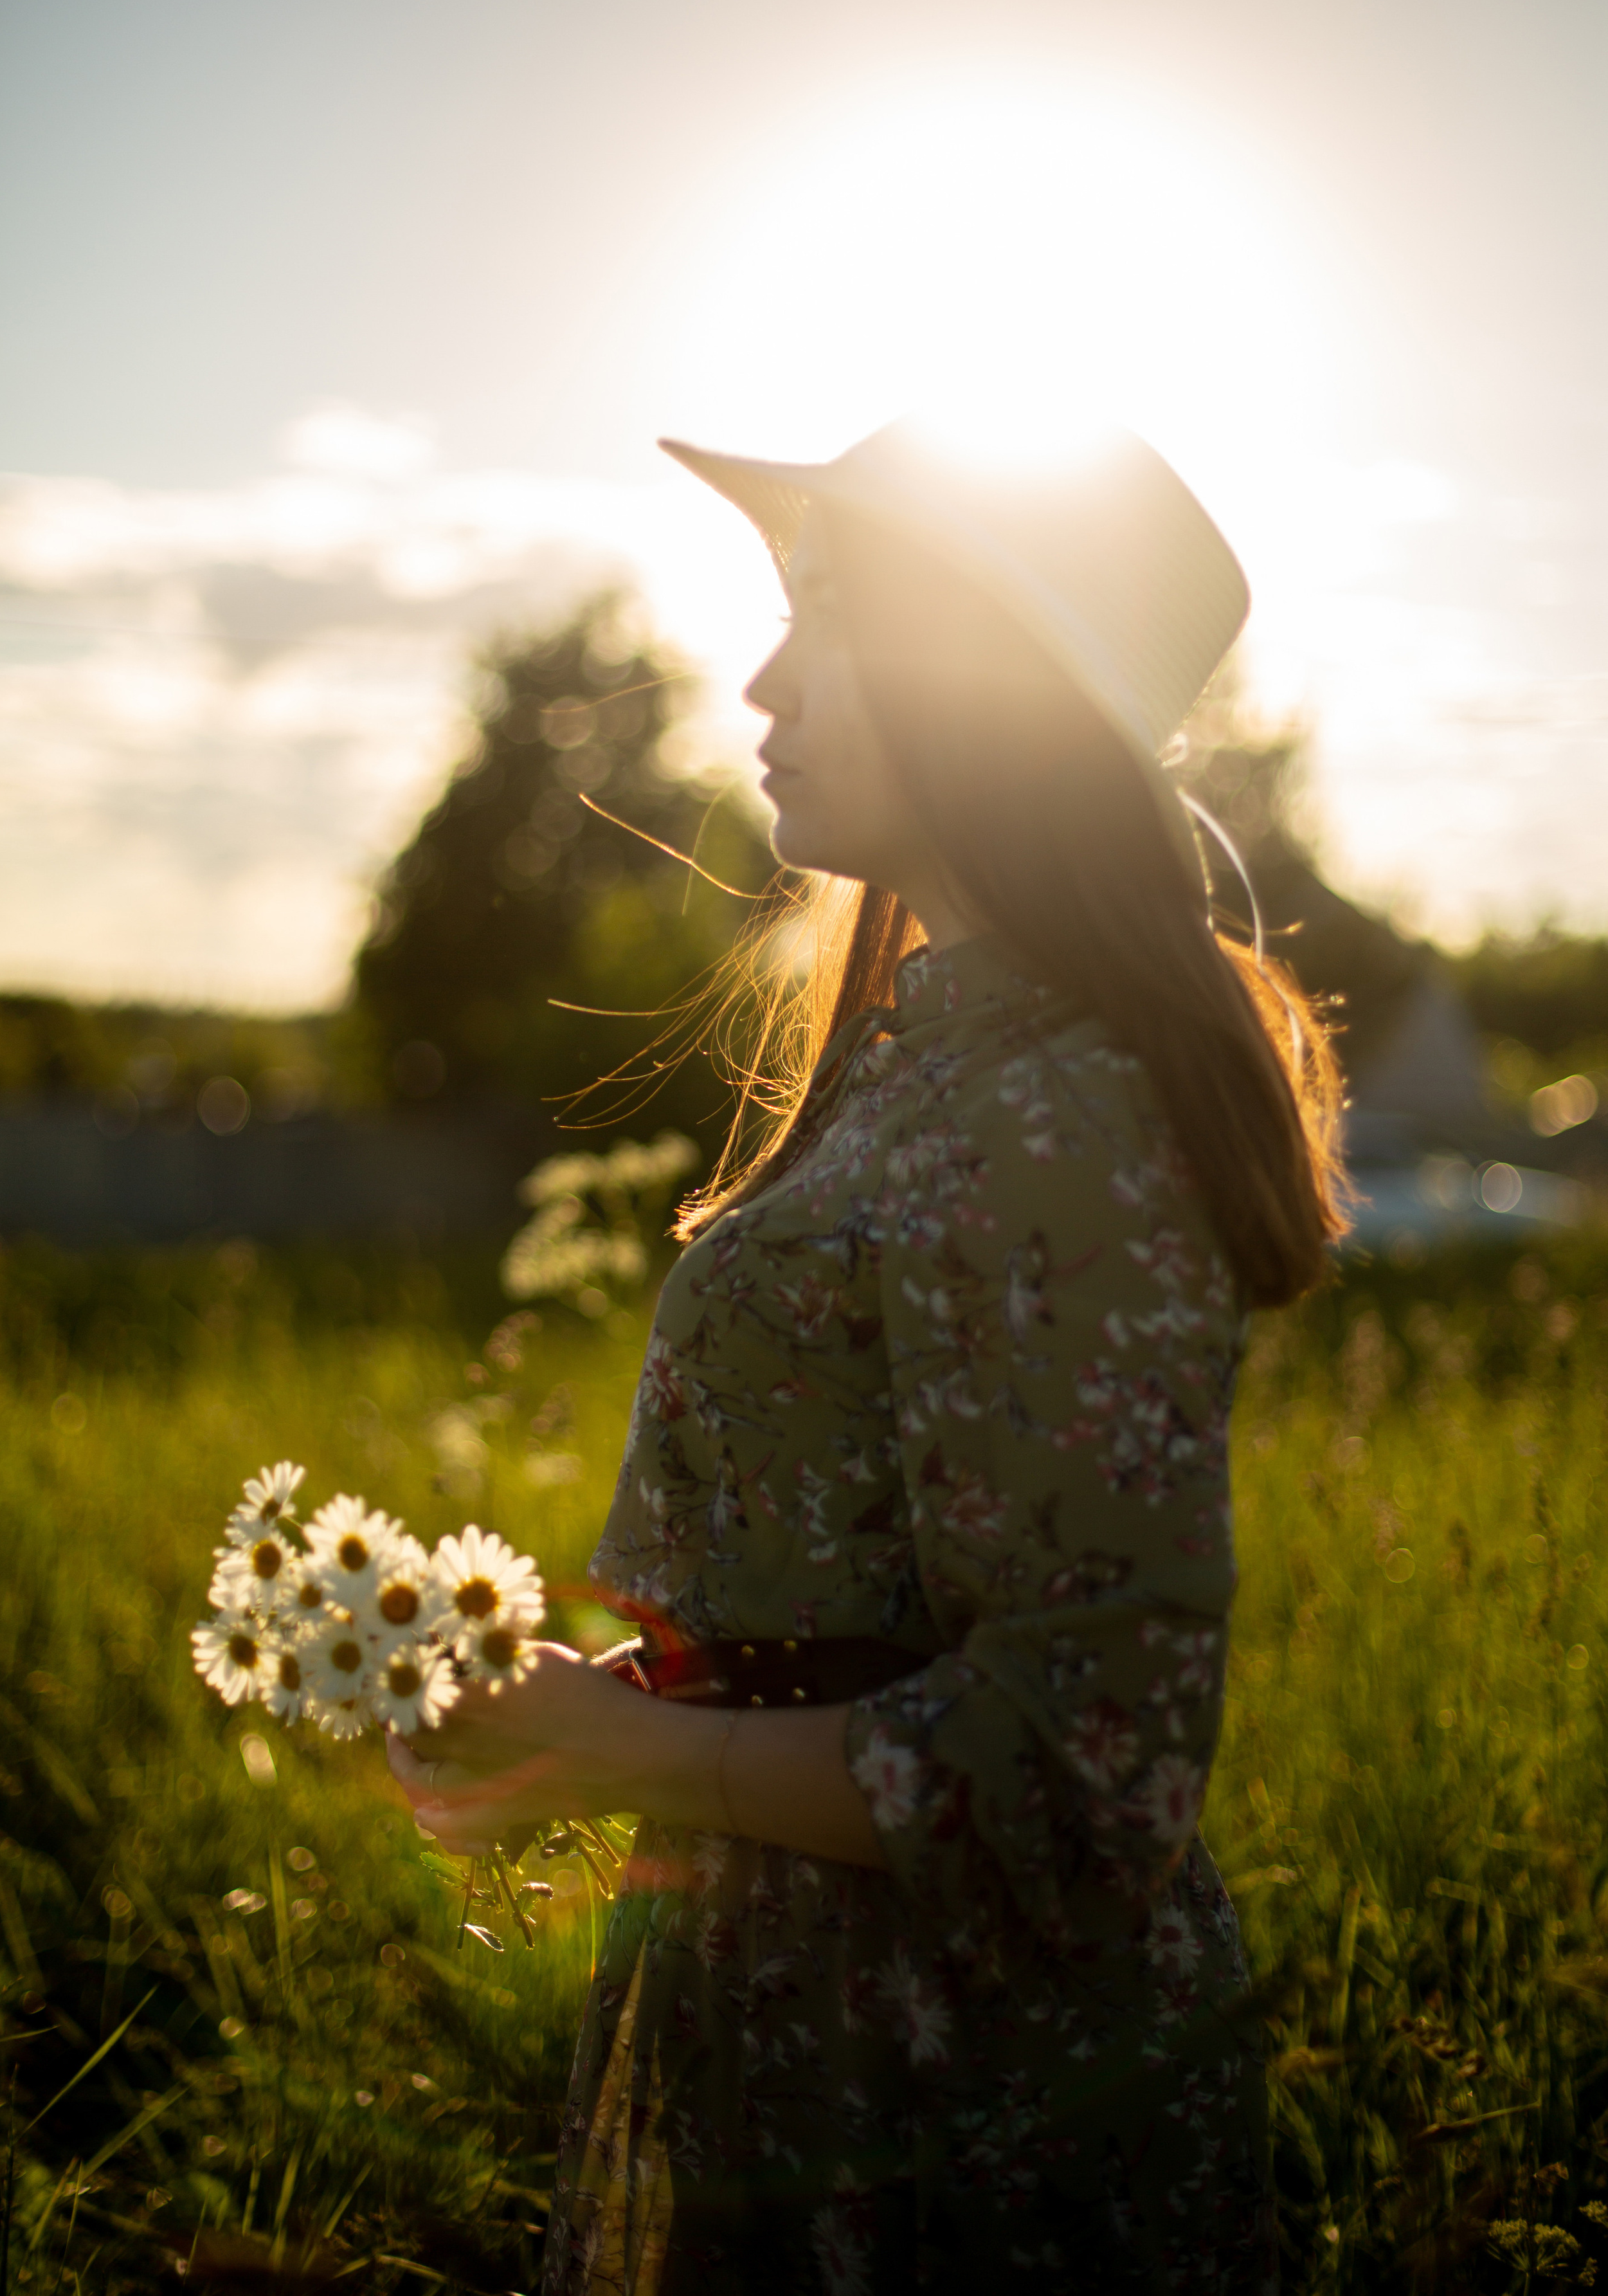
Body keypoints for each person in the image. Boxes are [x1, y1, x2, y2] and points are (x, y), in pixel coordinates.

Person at [385, 417, 1348, 2294]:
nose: (762, 681)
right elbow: (871, 1618)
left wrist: (632, 1753)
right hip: (808, 2033)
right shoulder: (928, 1059)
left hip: (955, 2097)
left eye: (827, 618)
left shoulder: (1064, 1108)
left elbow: (1081, 1772)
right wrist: (622, 1705)